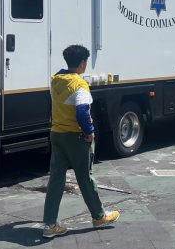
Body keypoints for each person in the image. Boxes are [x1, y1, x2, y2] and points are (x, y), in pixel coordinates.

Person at [42, 44, 120, 238]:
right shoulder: (79, 84)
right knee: (85, 177)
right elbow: (82, 111)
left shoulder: (55, 80)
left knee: (56, 179)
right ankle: (99, 216)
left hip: (57, 134)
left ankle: (50, 224)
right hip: (75, 136)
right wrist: (90, 132)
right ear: (83, 63)